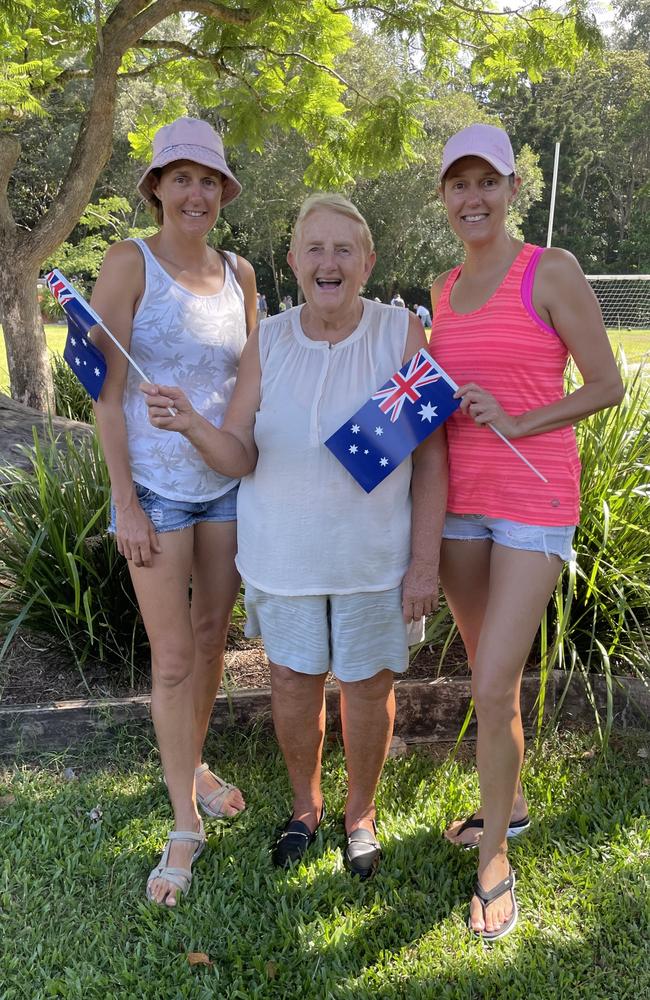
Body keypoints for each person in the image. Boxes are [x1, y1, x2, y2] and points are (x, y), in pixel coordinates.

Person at [142, 193, 448, 881]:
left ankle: (360, 815)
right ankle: (305, 809)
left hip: (373, 561)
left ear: (367, 263)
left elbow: (430, 459)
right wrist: (194, 424)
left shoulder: (399, 332)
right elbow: (240, 453)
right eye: (315, 248)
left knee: (369, 687)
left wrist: (423, 564)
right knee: (290, 681)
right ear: (293, 261)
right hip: (282, 558)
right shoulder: (270, 339)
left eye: (345, 249)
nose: (329, 262)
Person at [430, 123, 624, 940]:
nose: (473, 198)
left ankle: (495, 864)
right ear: (443, 197)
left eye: (488, 182)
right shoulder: (440, 289)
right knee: (489, 675)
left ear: (514, 190)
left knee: (493, 678)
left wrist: (519, 417)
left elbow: (607, 384)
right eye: (458, 184)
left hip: (535, 502)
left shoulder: (551, 270)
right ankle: (503, 810)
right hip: (460, 507)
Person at [90, 117, 258, 907]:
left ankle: (191, 760)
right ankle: (183, 823)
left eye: (208, 180)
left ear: (223, 192)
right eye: (181, 177)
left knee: (211, 640)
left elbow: (251, 387)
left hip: (225, 486)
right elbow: (105, 395)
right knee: (174, 660)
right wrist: (124, 501)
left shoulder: (241, 274)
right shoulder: (129, 262)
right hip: (155, 492)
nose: (196, 193)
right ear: (156, 186)